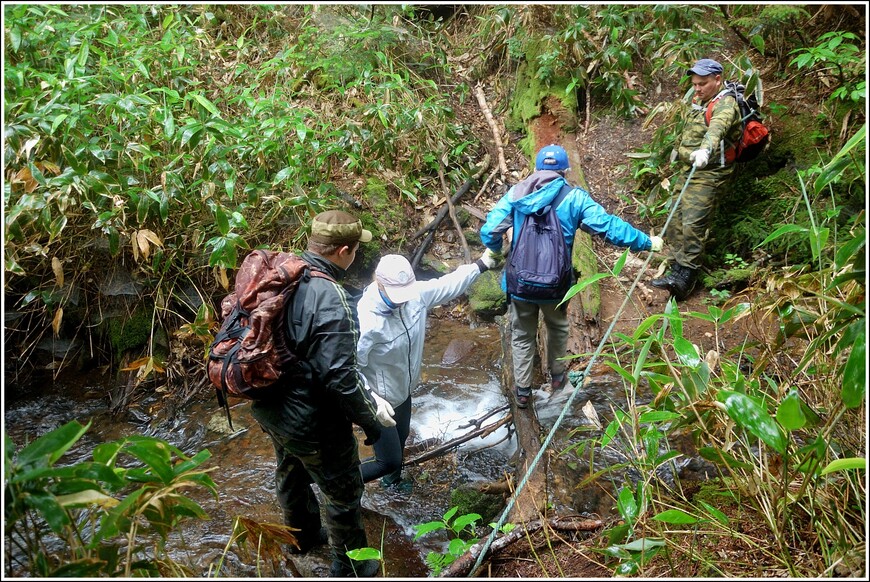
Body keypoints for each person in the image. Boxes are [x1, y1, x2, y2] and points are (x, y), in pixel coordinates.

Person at [248, 210, 387, 578]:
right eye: (356, 249)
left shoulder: (283, 272)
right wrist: (370, 422)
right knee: (343, 491)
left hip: (271, 404)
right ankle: (353, 568)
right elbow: (341, 379)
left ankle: (302, 537)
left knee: (291, 471)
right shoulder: (331, 297)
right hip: (310, 418)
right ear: (344, 250)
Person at [480, 144, 663, 410]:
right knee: (557, 328)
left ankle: (522, 392)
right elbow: (608, 227)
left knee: (521, 334)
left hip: (520, 284)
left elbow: (489, 231)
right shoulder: (574, 198)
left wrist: (496, 252)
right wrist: (646, 242)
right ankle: (557, 380)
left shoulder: (516, 194)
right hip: (555, 286)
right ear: (565, 171)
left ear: (536, 169)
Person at [356, 250, 500, 490]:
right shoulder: (366, 320)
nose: (402, 300)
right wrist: (372, 399)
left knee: (399, 442)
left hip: (403, 391)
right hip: (379, 400)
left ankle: (391, 484)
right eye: (396, 295)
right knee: (387, 460)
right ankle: (335, 483)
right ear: (378, 284)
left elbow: (448, 285)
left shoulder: (415, 296)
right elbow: (350, 367)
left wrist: (481, 264)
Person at [651, 58, 743, 300]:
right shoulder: (701, 100)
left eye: (702, 83)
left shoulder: (726, 104)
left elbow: (717, 129)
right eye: (694, 84)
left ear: (717, 80)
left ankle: (686, 278)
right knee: (676, 218)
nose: (697, 88)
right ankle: (677, 267)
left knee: (693, 222)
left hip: (709, 171)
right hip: (690, 167)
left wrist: (705, 150)